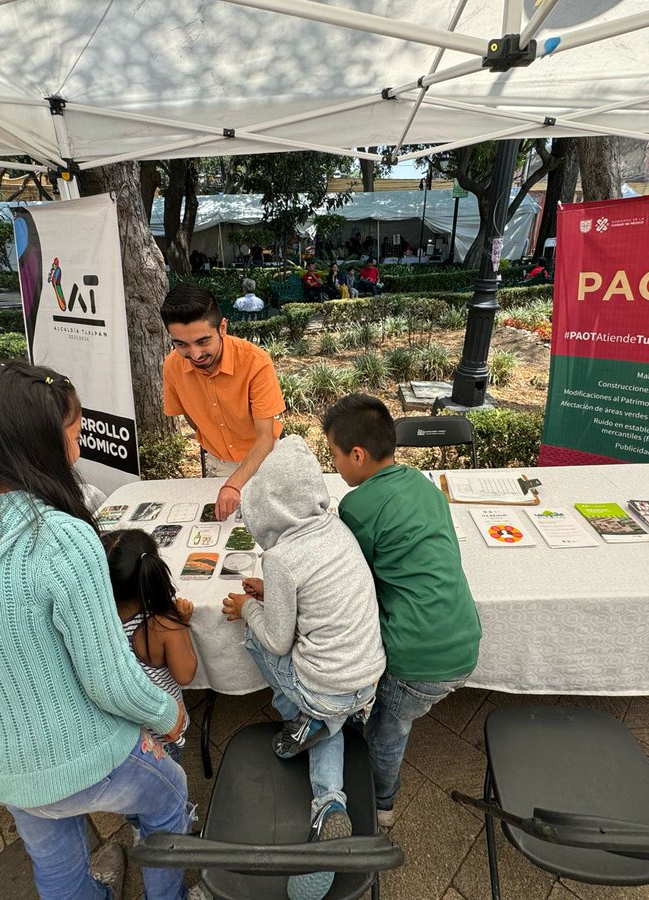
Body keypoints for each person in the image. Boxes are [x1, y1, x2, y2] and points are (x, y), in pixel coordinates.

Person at [0, 361, 189, 900]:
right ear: (37, 443)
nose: (77, 446)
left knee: (53, 860)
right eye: (73, 433)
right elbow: (111, 680)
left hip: (1, 761)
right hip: (88, 754)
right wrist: (169, 714)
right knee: (171, 797)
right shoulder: (58, 538)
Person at [221, 435, 385, 900]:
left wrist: (248, 610)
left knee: (257, 637)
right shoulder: (338, 531)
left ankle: (303, 714)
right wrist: (272, 595)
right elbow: (321, 603)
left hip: (324, 688)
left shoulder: (281, 557)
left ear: (266, 507)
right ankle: (328, 804)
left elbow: (277, 639)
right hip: (367, 680)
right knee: (327, 725)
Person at [322, 394, 482, 829]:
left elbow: (351, 583)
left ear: (357, 454)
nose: (333, 465)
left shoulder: (357, 507)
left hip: (417, 659)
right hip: (465, 639)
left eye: (333, 455)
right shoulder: (426, 486)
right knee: (393, 718)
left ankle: (381, 804)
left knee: (387, 731)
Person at [160, 283, 285, 519]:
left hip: (265, 460)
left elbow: (265, 437)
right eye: (181, 344)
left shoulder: (255, 362)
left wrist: (233, 484)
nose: (195, 355)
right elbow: (190, 417)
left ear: (223, 327)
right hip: (218, 463)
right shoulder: (171, 366)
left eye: (203, 341)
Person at [102, 528, 198, 759]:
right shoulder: (162, 625)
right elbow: (185, 674)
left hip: (123, 728)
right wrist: (181, 624)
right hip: (163, 731)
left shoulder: (97, 619)